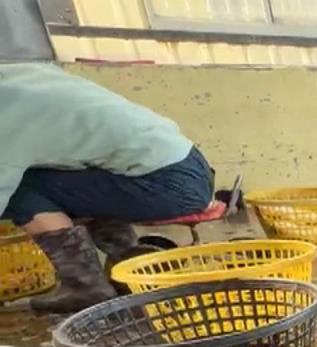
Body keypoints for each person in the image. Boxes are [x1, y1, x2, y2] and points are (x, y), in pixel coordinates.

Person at [0, 62, 214, 313]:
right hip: (190, 167)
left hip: (165, 184)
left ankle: (85, 287)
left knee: (23, 191)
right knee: (63, 176)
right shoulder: (23, 77)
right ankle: (126, 261)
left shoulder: (8, 113)